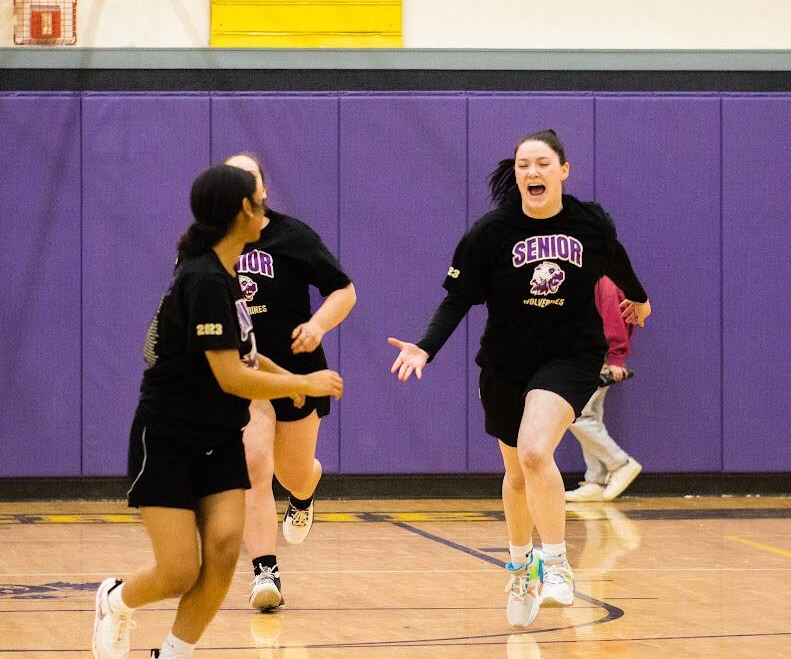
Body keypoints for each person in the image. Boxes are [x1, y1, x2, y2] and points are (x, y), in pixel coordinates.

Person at [387, 129, 650, 628]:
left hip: (570, 355)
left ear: (563, 171)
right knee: (516, 474)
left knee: (534, 451)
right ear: (516, 173)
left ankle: (556, 565)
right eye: (524, 164)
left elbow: (616, 260)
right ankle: (520, 564)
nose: (532, 172)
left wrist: (639, 297)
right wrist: (426, 346)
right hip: (506, 363)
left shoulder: (589, 222)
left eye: (543, 164)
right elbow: (458, 298)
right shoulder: (490, 233)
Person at [92, 164, 343, 659]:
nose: (266, 205)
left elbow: (246, 353)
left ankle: (171, 653)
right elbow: (230, 375)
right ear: (241, 212)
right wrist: (300, 381)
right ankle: (116, 601)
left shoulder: (228, 274)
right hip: (170, 437)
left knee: (225, 554)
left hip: (220, 436)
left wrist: (278, 373)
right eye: (258, 199)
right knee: (179, 570)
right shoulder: (204, 279)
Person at [224, 153, 356, 611]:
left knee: (292, 474)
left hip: (297, 372)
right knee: (254, 464)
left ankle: (306, 489)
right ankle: (265, 571)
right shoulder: (208, 244)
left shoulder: (292, 236)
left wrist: (318, 326)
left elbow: (344, 289)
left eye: (251, 179)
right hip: (244, 377)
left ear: (264, 189)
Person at [565, 276, 643, 502]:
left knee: (575, 415)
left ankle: (620, 463)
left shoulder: (604, 281)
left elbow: (614, 319)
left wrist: (615, 358)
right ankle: (596, 481)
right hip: (589, 355)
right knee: (590, 417)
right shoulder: (599, 279)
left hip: (596, 357)